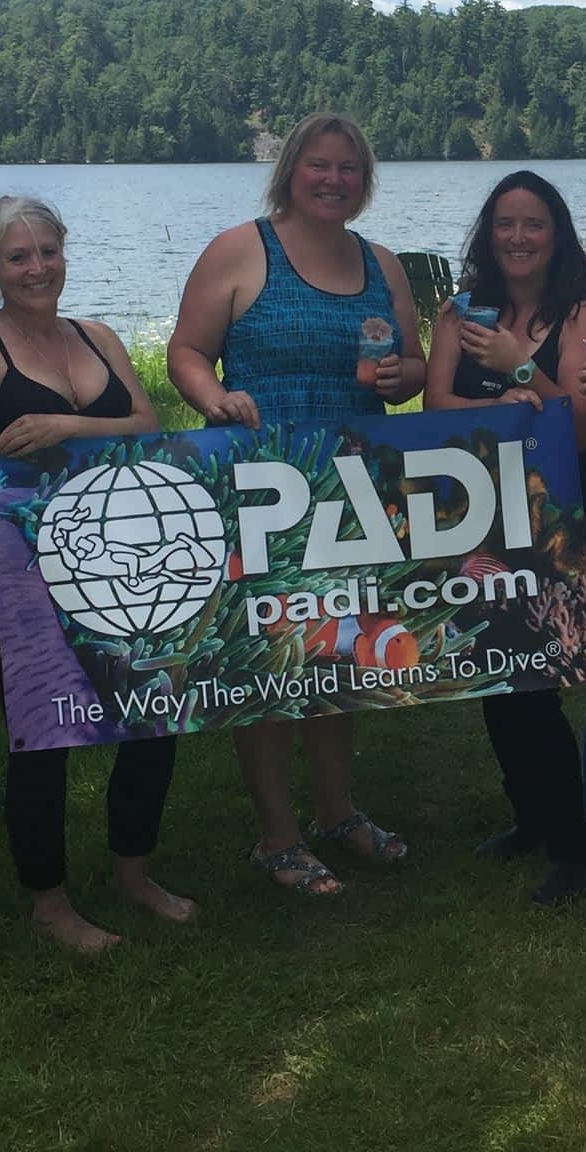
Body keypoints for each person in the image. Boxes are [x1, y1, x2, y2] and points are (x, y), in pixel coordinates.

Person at [0, 196, 193, 952]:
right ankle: (49, 900)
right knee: (42, 727)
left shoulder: (98, 336)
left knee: (152, 703)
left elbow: (147, 427)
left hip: (115, 550)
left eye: (48, 249)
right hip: (11, 560)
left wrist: (68, 425)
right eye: (18, 256)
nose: (37, 267)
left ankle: (133, 870)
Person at [167, 112, 426, 896]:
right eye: (319, 165)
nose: (333, 180)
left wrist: (400, 380)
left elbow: (412, 365)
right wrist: (213, 396)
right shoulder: (242, 249)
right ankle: (276, 835)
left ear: (365, 180)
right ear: (292, 171)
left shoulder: (382, 263)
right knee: (271, 659)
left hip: (353, 487)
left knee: (342, 648)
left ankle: (338, 812)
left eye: (349, 168)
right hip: (262, 485)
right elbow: (186, 350)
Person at [425, 170, 586, 906]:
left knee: (552, 680)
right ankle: (529, 818)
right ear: (488, 231)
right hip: (481, 520)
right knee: (499, 680)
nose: (518, 238)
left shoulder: (583, 316)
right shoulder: (460, 312)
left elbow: (582, 422)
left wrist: (523, 371)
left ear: (557, 233)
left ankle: (575, 844)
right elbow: (434, 404)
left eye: (533, 224)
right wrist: (505, 401)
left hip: (563, 524)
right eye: (505, 223)